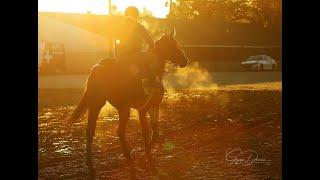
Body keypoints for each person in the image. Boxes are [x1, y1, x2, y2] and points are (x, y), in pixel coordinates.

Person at [115, 6, 160, 97]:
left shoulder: (119, 26)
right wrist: (148, 50)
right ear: (136, 16)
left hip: (120, 56)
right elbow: (150, 41)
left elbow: (116, 43)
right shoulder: (138, 26)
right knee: (154, 59)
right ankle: (150, 84)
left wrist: (118, 55)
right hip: (133, 55)